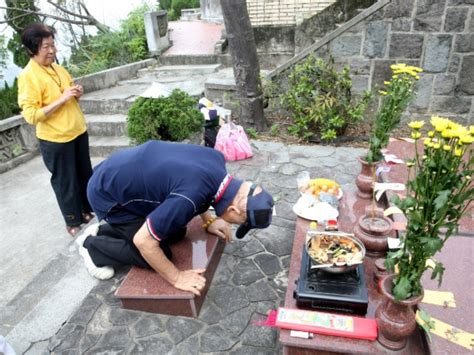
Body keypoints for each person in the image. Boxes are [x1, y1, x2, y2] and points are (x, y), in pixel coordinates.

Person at [75, 140, 274, 295]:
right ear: (232, 210)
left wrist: (209, 220)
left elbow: (202, 189)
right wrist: (177, 278)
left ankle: (105, 230)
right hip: (109, 196)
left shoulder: (216, 159)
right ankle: (93, 248)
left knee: (177, 231)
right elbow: (143, 241)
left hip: (118, 174)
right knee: (158, 251)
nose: (234, 224)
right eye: (239, 222)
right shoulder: (189, 198)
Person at [18, 23, 94, 237]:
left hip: (77, 131)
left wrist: (76, 92)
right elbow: (31, 115)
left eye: (53, 45)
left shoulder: (57, 68)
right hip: (56, 139)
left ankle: (87, 210)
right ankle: (72, 220)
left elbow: (68, 92)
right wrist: (62, 99)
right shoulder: (28, 76)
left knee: (84, 175)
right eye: (46, 47)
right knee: (65, 181)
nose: (52, 51)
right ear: (33, 49)